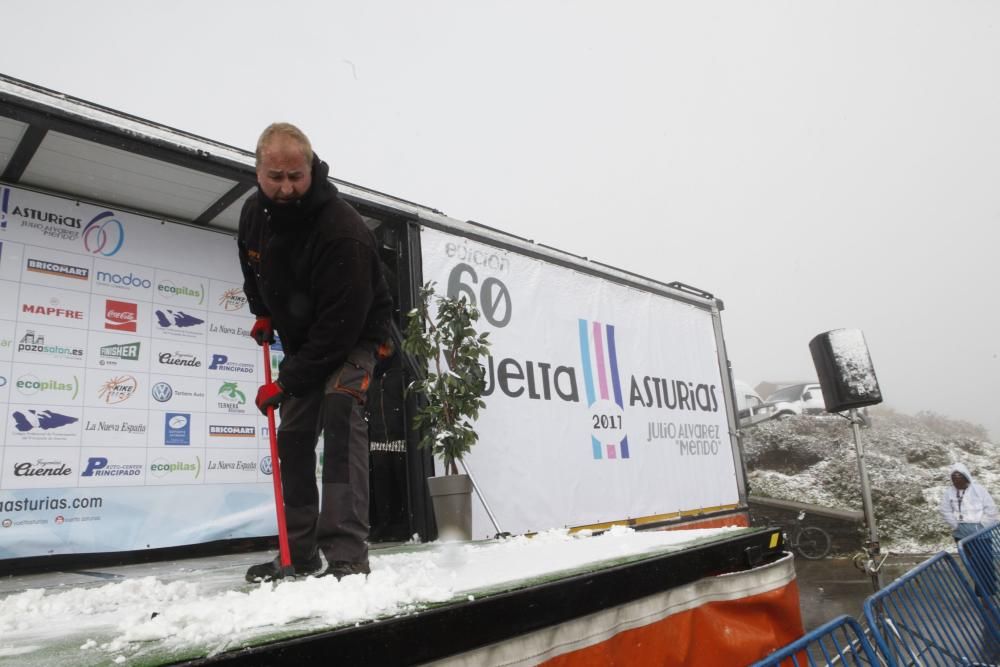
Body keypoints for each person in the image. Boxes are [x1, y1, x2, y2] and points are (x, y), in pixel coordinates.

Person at [237, 122, 394, 582]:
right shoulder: (253, 214)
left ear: (312, 169)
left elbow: (338, 331)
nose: (285, 188)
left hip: (357, 335)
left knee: (339, 407)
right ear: (258, 173)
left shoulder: (341, 229)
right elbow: (252, 265)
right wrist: (262, 310)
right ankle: (298, 553)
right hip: (308, 339)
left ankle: (347, 556)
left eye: (295, 177)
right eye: (275, 177)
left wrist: (285, 382)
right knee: (294, 434)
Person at [939, 462, 999, 543]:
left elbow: (991, 508)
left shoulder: (979, 489)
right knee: (966, 555)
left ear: (965, 477)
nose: (956, 480)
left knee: (983, 554)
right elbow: (945, 510)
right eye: (954, 477)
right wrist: (956, 525)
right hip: (961, 532)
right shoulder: (949, 492)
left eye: (959, 476)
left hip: (982, 531)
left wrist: (983, 524)